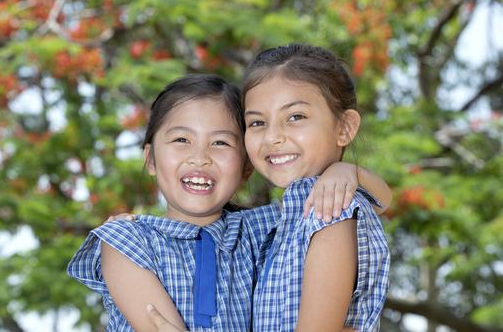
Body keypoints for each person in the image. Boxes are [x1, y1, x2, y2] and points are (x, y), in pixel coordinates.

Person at [68, 72, 389, 331]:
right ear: (150, 159)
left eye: (220, 142)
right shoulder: (126, 240)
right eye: (181, 140)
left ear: (247, 166)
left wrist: (348, 172)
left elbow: (373, 203)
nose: (200, 158)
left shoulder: (258, 231)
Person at [242, 43, 390, 331]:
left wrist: (351, 173)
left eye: (295, 117)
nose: (273, 137)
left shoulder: (331, 210)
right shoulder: (282, 219)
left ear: (344, 128)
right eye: (257, 122)